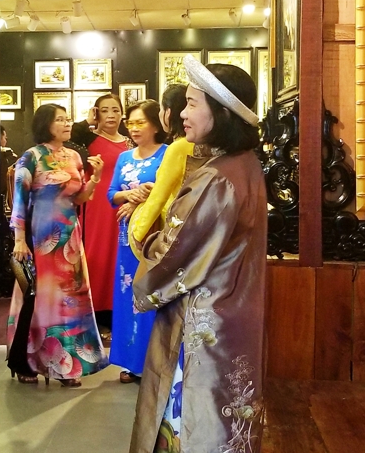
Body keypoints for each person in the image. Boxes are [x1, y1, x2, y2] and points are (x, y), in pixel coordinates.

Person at [129, 59, 267, 453]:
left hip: (202, 322)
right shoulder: (244, 164)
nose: (182, 114)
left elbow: (172, 254)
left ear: (221, 112)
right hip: (234, 311)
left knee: (191, 423)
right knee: (227, 419)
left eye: (192, 104)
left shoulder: (215, 176)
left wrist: (140, 237)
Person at [7, 104, 108, 387]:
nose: (66, 124)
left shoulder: (74, 156)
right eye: (59, 120)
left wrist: (96, 178)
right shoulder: (31, 156)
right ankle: (29, 361)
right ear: (45, 124)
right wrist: (19, 239)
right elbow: (19, 199)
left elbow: (79, 198)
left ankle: (67, 365)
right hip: (40, 236)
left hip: (69, 236)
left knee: (71, 299)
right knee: (41, 298)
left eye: (67, 119)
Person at [107, 100, 167, 384]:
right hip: (126, 238)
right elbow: (111, 194)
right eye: (130, 123)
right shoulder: (124, 157)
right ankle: (132, 362)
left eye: (140, 122)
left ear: (156, 124)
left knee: (152, 293)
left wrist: (141, 199)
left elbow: (172, 192)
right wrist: (128, 196)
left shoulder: (167, 154)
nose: (133, 128)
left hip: (154, 237)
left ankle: (154, 363)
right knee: (127, 294)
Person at [71, 93, 133, 335]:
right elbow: (73, 135)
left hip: (121, 204)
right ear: (96, 113)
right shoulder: (87, 139)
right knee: (96, 253)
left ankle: (116, 311)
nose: (110, 115)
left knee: (119, 254)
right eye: (104, 110)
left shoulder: (129, 142)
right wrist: (88, 121)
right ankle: (94, 312)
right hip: (96, 206)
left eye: (115, 110)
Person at [129, 84, 193, 249]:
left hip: (176, 226)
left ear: (168, 112)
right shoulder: (196, 143)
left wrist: (138, 232)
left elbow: (159, 197)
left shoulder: (177, 147)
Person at [0, 126, 19, 299]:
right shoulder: (9, 158)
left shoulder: (8, 157)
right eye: (4, 136)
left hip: (3, 207)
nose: (6, 139)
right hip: (6, 207)